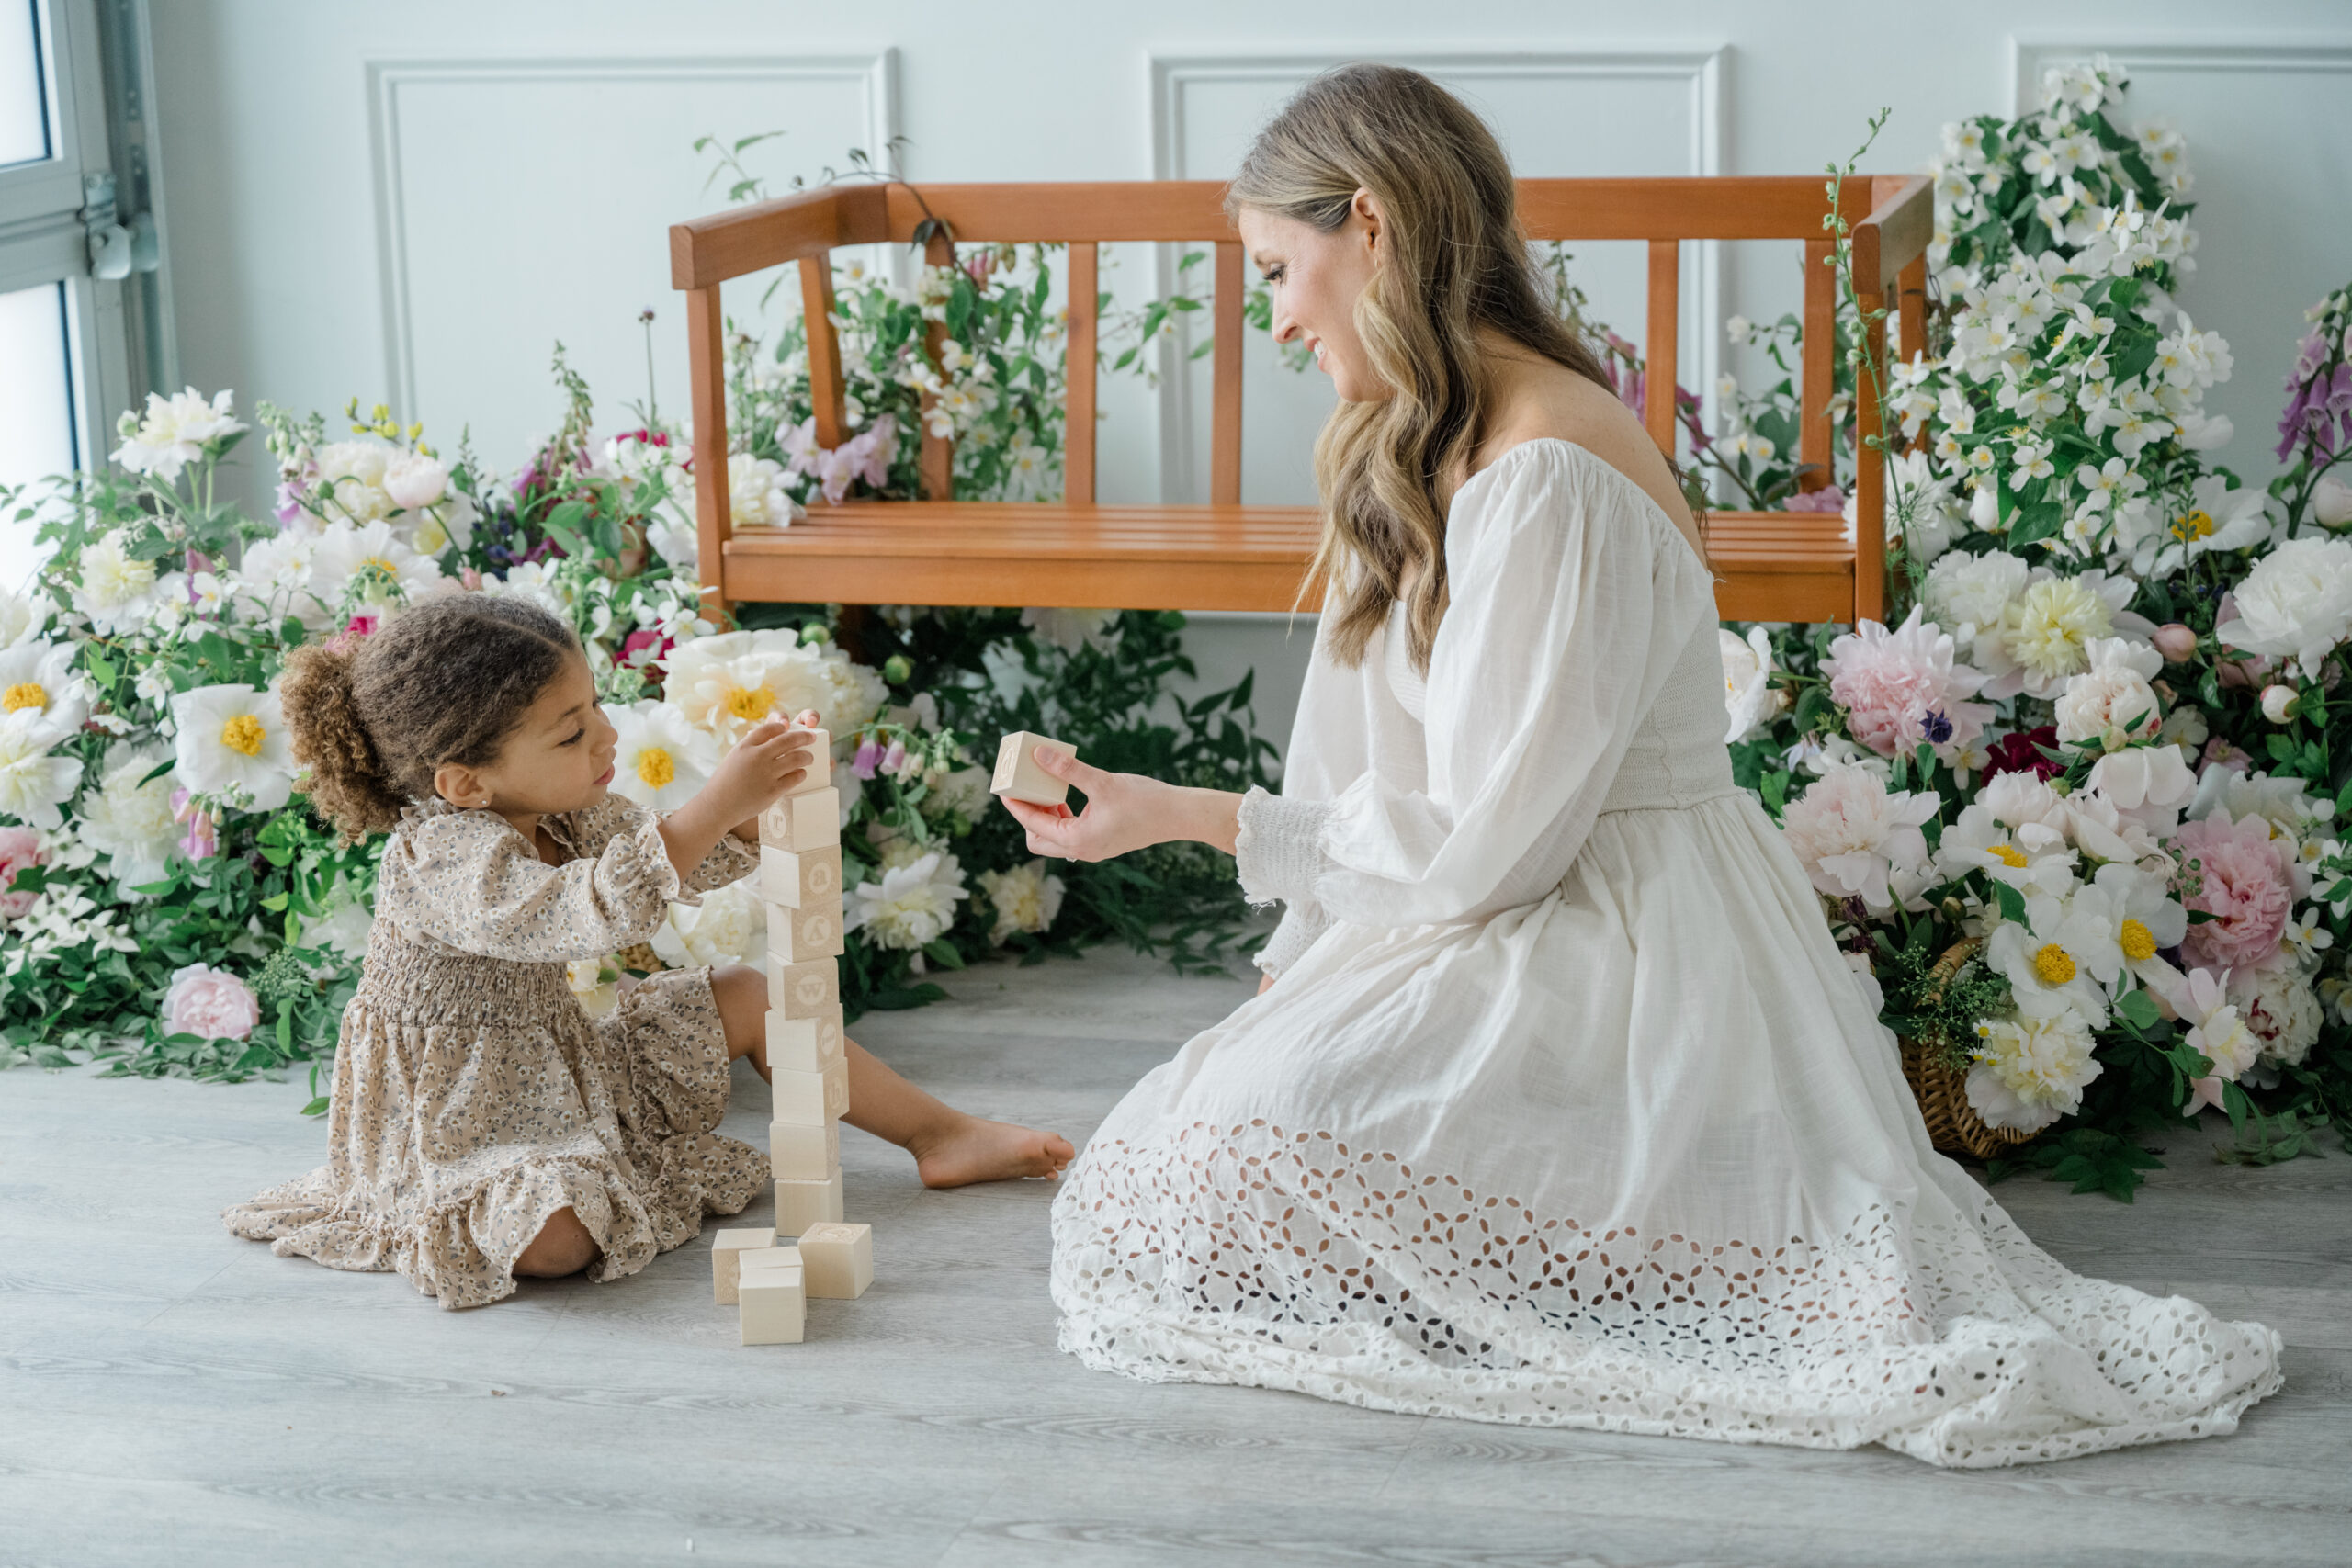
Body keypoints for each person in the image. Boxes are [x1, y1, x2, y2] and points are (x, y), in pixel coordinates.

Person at [998, 63, 2282, 1466]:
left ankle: (1631, 1241)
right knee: (1168, 1161)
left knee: (1220, 1164)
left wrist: (1181, 814)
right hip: (1492, 904)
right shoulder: (1406, 437)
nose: (1278, 314)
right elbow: (1368, 745)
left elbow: (1498, 841)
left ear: (1369, 222)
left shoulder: (1547, 466)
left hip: (1614, 943)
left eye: (1278, 269)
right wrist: (1303, 954)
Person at [226, 594, 1072, 1309]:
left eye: (594, 707)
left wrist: (765, 787)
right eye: (569, 734)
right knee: (559, 1238)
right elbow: (585, 909)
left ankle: (940, 1135)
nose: (603, 739)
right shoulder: (441, 859)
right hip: (462, 1117)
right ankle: (527, 1192)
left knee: (745, 991)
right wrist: (714, 803)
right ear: (463, 782)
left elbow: (676, 853)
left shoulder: (564, 809)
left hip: (560, 1062)